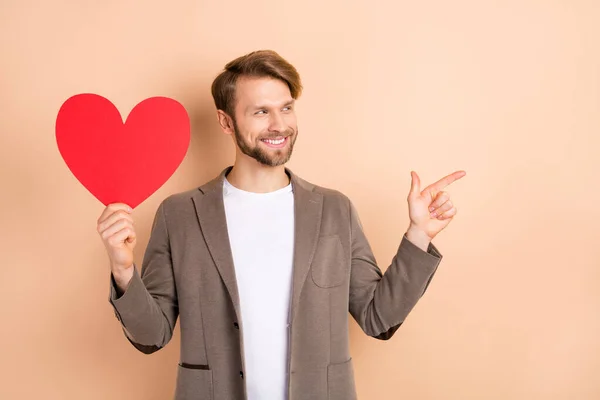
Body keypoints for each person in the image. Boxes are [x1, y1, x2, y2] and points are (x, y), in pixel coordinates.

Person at [97, 49, 465, 400]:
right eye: (260, 111)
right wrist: (123, 268)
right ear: (226, 122)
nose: (279, 124)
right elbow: (152, 334)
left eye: (286, 108)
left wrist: (419, 234)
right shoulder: (179, 214)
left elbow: (377, 317)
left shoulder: (335, 210)